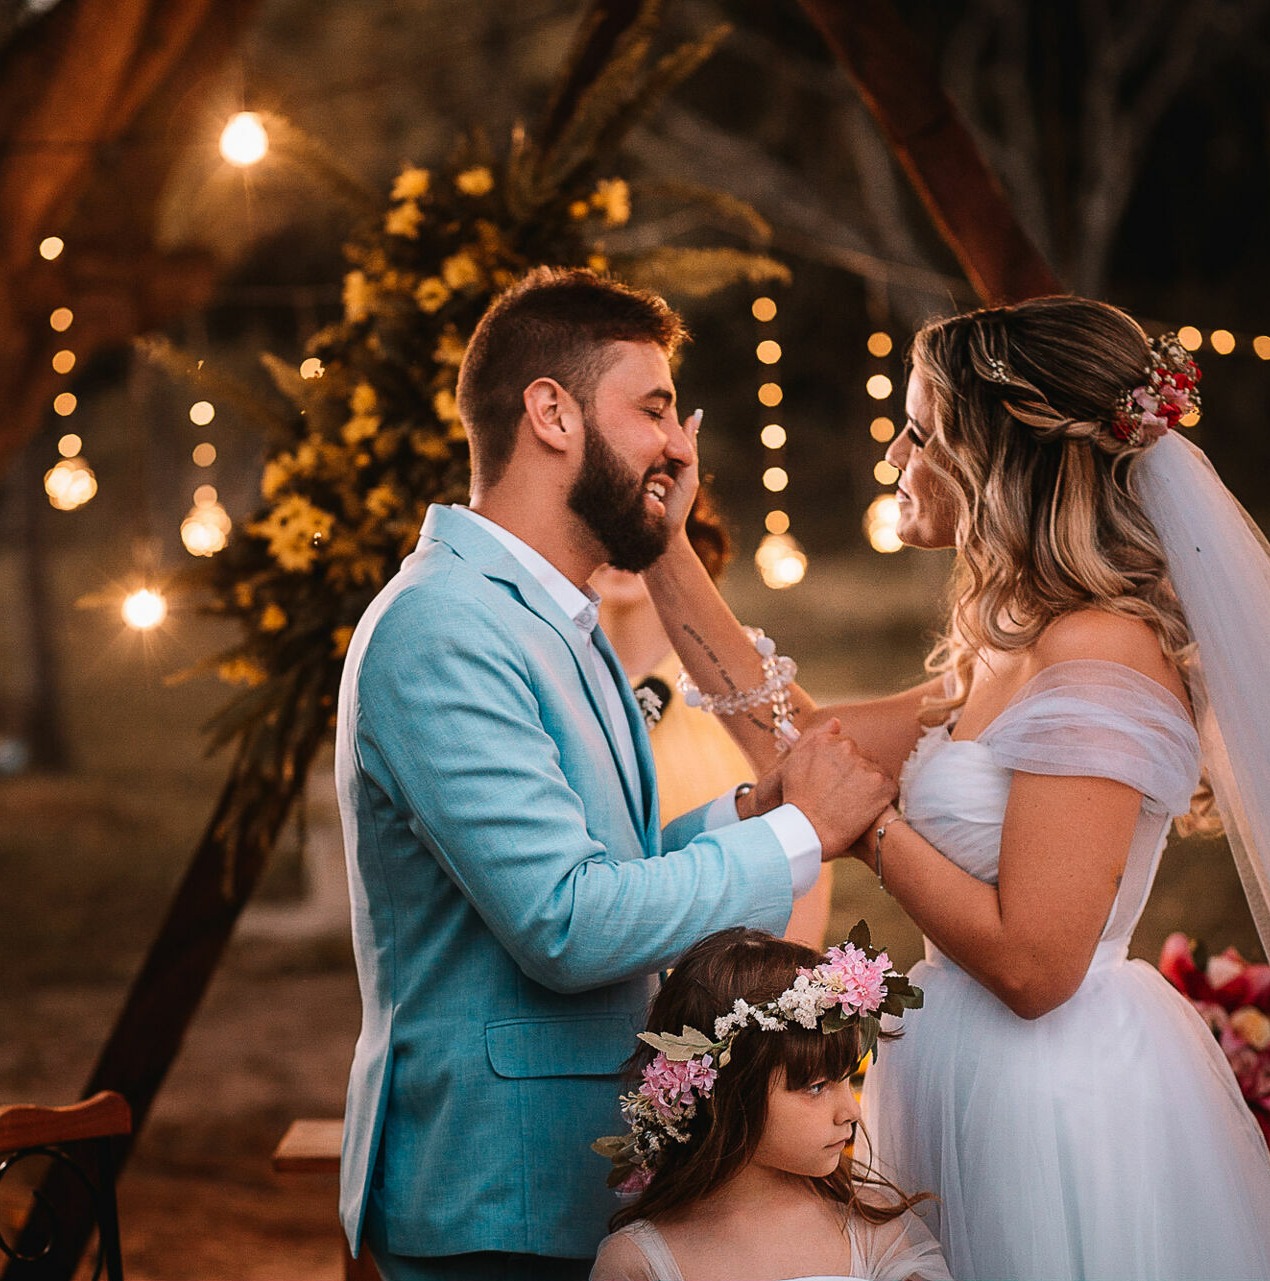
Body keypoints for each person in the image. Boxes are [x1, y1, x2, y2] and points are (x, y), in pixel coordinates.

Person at [642, 296, 1270, 1280]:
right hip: (956, 1071)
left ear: (1001, 459)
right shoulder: (1011, 644)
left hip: (1051, 1103)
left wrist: (870, 832)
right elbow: (804, 745)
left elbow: (1037, 966)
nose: (895, 455)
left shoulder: (1102, 650)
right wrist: (665, 548)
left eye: (922, 433)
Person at [334, 267, 897, 1281]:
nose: (681, 447)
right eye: (655, 409)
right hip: (497, 1198)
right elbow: (566, 919)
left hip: (575, 1183)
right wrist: (800, 834)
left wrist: (750, 809)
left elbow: (611, 859)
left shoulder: (558, 616)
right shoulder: (443, 626)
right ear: (551, 413)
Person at [590, 926, 948, 1281]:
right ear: (726, 1094)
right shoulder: (639, 1263)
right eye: (816, 1087)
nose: (851, 1112)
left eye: (846, 1079)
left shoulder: (876, 1230)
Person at [592, 492, 834, 949]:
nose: (621, 541)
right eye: (605, 520)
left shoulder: (746, 693)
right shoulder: (547, 685)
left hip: (729, 976)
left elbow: (808, 840)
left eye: (641, 520)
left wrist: (784, 982)